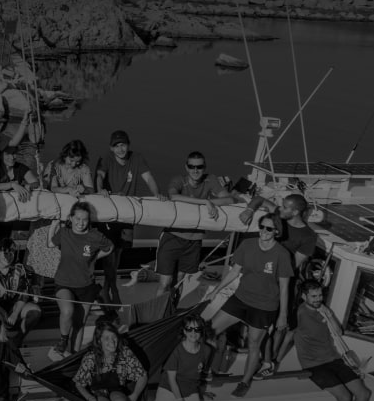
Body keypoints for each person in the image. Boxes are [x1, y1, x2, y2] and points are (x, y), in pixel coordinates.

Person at [208, 212, 294, 398]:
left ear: (277, 231)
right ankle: (206, 370)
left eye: (269, 228)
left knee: (254, 344)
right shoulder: (247, 244)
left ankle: (244, 382)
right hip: (240, 298)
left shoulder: (282, 254)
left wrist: (283, 316)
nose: (264, 231)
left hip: (264, 306)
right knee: (209, 331)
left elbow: (284, 287)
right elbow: (234, 272)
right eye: (261, 227)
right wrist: (217, 289)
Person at [247, 194, 319, 377]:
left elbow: (293, 265)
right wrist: (249, 210)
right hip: (261, 277)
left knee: (279, 325)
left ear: (295, 212)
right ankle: (264, 358)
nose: (281, 208)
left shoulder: (308, 236)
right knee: (261, 322)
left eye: (286, 207)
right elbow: (260, 199)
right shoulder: (279, 215)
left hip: (283, 283)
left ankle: (269, 362)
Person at [94, 130, 166, 304]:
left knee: (119, 252)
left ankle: (107, 288)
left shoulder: (136, 158)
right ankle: (111, 289)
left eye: (123, 145)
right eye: (116, 146)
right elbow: (99, 175)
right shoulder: (106, 158)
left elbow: (148, 178)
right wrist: (100, 190)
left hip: (127, 213)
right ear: (111, 148)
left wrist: (157, 194)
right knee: (109, 252)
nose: (120, 149)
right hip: (110, 212)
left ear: (128, 145)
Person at [294, 279, 371, 401]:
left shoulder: (322, 309)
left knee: (364, 394)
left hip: (334, 360)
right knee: (345, 397)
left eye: (320, 295)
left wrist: (329, 315)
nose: (318, 299)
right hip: (314, 365)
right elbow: (288, 333)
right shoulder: (301, 314)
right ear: (304, 296)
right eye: (313, 296)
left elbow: (338, 332)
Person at [156, 151, 234, 296]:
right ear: (186, 167)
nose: (195, 170)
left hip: (194, 241)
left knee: (179, 281)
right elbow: (173, 196)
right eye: (192, 166)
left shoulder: (210, 180)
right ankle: (158, 310)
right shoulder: (179, 180)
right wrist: (205, 202)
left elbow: (229, 200)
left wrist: (210, 202)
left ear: (204, 167)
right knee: (165, 283)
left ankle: (172, 309)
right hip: (172, 237)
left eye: (199, 167)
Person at [46, 202, 114, 362]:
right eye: (77, 218)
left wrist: (94, 258)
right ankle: (63, 341)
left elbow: (110, 247)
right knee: (67, 311)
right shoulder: (64, 233)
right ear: (71, 218)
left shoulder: (95, 236)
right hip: (64, 283)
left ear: (89, 220)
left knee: (79, 323)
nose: (81, 223)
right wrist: (53, 226)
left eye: (84, 219)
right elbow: (50, 244)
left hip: (86, 285)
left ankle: (74, 357)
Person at [72, 322, 147, 401]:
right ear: (99, 341)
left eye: (114, 337)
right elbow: (79, 383)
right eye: (106, 338)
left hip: (117, 388)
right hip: (97, 391)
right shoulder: (91, 357)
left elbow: (142, 376)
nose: (111, 341)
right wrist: (90, 399)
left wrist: (134, 396)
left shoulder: (124, 352)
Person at [159, 315, 213, 401]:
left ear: (201, 331)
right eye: (189, 329)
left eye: (197, 329)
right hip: (169, 392)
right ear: (184, 331)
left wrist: (200, 392)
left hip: (190, 391)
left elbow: (197, 374)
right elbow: (171, 380)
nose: (193, 333)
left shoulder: (206, 350)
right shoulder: (176, 350)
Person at [0, 243, 42, 341]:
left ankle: (17, 340)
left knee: (35, 311)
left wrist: (15, 313)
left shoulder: (19, 268)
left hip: (13, 306)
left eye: (11, 253)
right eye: (5, 253)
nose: (8, 256)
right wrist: (0, 311)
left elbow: (24, 293)